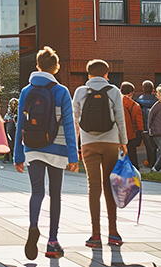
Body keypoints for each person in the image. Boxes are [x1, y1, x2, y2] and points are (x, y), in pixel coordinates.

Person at [14, 46, 79, 260]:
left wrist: (18, 155)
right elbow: (69, 125)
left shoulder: (26, 91)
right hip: (57, 150)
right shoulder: (61, 91)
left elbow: (19, 124)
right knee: (55, 195)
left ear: (37, 66)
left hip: (32, 148)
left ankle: (33, 227)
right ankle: (52, 242)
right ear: (56, 67)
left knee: (37, 192)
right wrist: (73, 157)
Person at [72, 59, 128, 249]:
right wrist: (124, 142)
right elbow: (120, 117)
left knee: (93, 186)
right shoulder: (114, 91)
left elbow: (75, 120)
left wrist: (75, 145)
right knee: (109, 185)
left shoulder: (80, 92)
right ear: (106, 74)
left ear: (88, 74)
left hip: (89, 143)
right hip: (111, 142)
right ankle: (113, 233)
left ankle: (95, 235)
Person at [121, 82, 145, 170]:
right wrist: (140, 131)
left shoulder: (114, 103)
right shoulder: (135, 106)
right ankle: (134, 171)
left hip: (116, 134)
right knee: (132, 154)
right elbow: (139, 122)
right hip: (130, 134)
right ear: (131, 93)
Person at [135, 80, 158, 167]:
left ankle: (150, 162)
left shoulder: (139, 100)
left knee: (148, 146)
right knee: (154, 146)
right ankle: (154, 162)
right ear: (152, 89)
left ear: (143, 89)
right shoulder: (156, 100)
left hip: (144, 126)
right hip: (155, 126)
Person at [3, 98, 18, 164]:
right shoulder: (7, 115)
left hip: (15, 131)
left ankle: (13, 155)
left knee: (14, 141)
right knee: (7, 140)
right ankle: (7, 155)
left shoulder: (18, 114)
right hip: (8, 129)